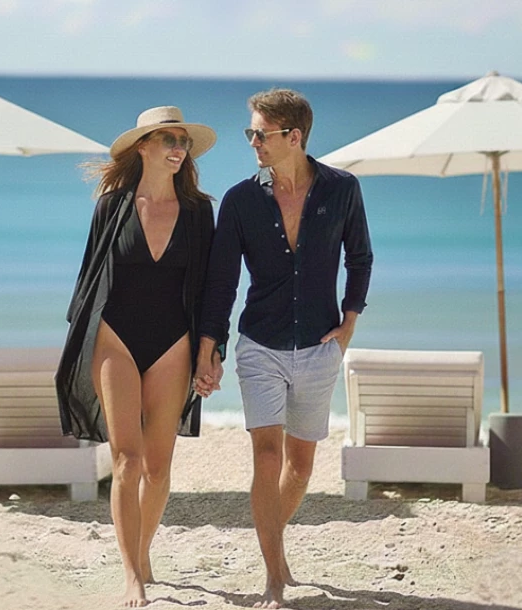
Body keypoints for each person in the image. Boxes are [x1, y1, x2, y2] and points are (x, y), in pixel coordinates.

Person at [194, 89, 373, 608]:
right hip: (260, 345)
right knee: (267, 457)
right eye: (250, 132)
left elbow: (360, 258)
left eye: (261, 134)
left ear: (294, 137)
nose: (252, 142)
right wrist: (211, 346)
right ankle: (273, 578)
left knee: (301, 466)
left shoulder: (342, 189)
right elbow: (221, 282)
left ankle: (273, 543)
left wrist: (349, 323)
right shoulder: (240, 201)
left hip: (320, 347)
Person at [56, 106, 217, 607]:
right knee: (127, 459)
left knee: (158, 466)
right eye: (168, 139)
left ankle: (143, 551)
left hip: (173, 344)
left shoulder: (198, 212)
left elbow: (210, 290)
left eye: (183, 141)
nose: (178, 148)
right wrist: (80, 344)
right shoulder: (112, 205)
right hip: (116, 339)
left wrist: (211, 350)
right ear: (143, 146)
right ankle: (132, 576)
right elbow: (88, 282)